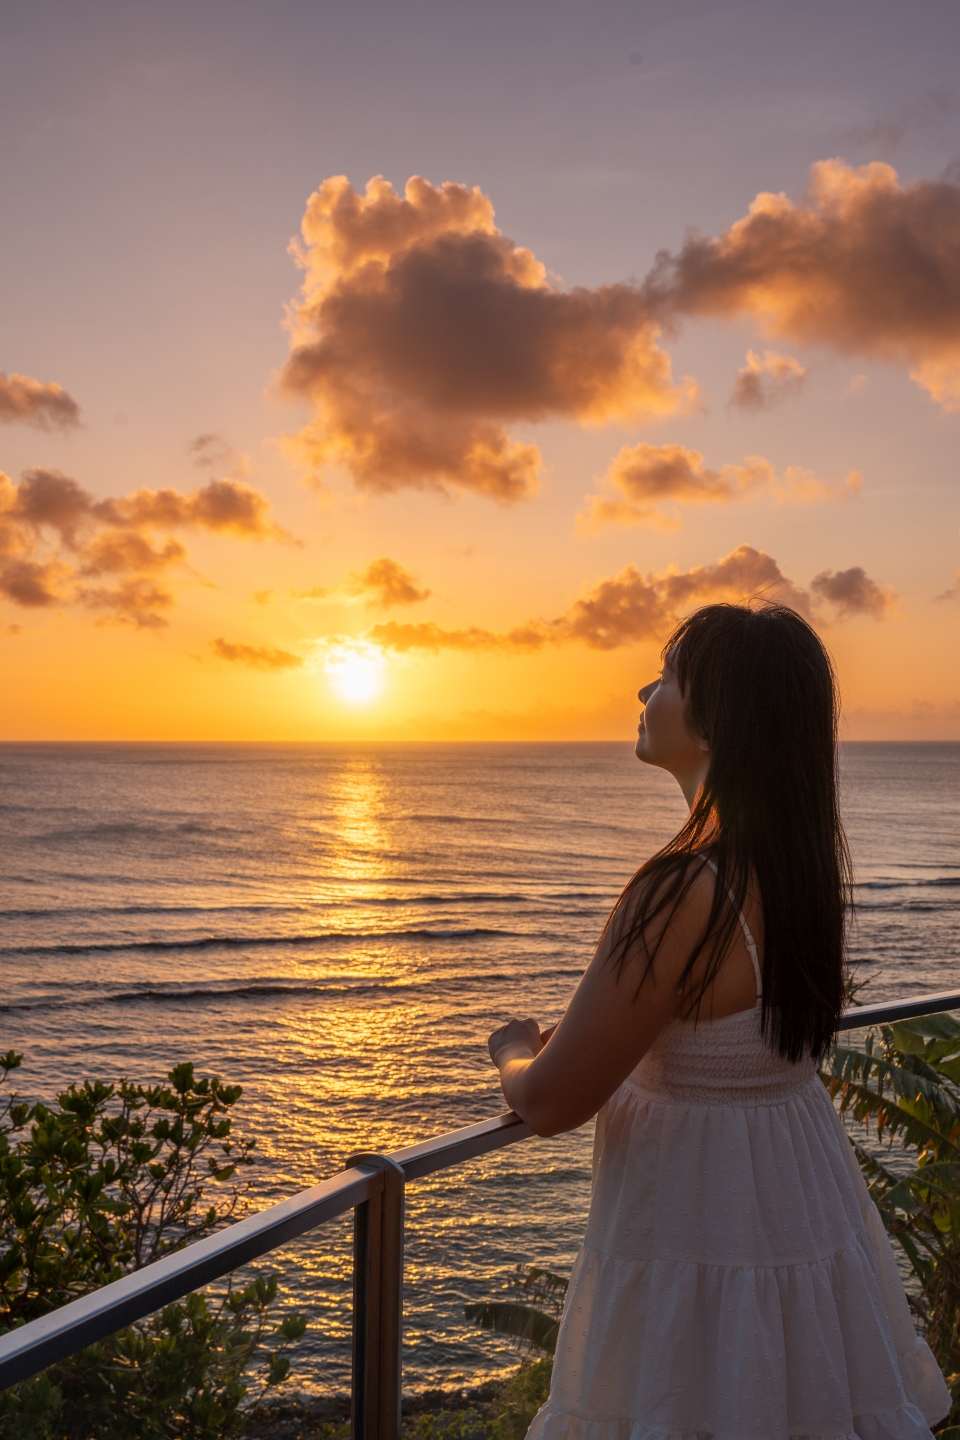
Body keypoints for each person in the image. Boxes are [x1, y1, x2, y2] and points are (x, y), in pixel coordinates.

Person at [487, 603, 950, 1440]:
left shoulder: (678, 892)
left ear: (714, 719)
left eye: (666, 676)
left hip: (703, 1233)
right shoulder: (795, 869)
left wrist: (515, 1049)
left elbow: (551, 1103)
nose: (643, 687)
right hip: (790, 1214)